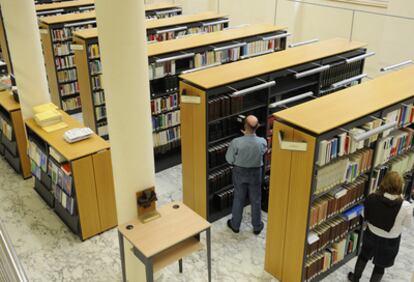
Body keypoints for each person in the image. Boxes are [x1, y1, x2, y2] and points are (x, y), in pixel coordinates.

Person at [348, 172, 413, 282]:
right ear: (401, 186)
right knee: (380, 266)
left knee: (363, 256)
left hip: (371, 234)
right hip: (390, 241)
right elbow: (408, 225)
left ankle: (355, 278)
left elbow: (364, 214)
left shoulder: (372, 197)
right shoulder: (405, 206)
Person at [225, 115, 267, 235]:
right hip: (256, 173)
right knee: (256, 199)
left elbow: (229, 159)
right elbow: (263, 151)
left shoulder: (236, 142)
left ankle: (235, 225)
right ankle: (257, 226)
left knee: (238, 198)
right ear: (257, 126)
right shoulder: (262, 142)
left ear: (244, 126)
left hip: (240, 172)